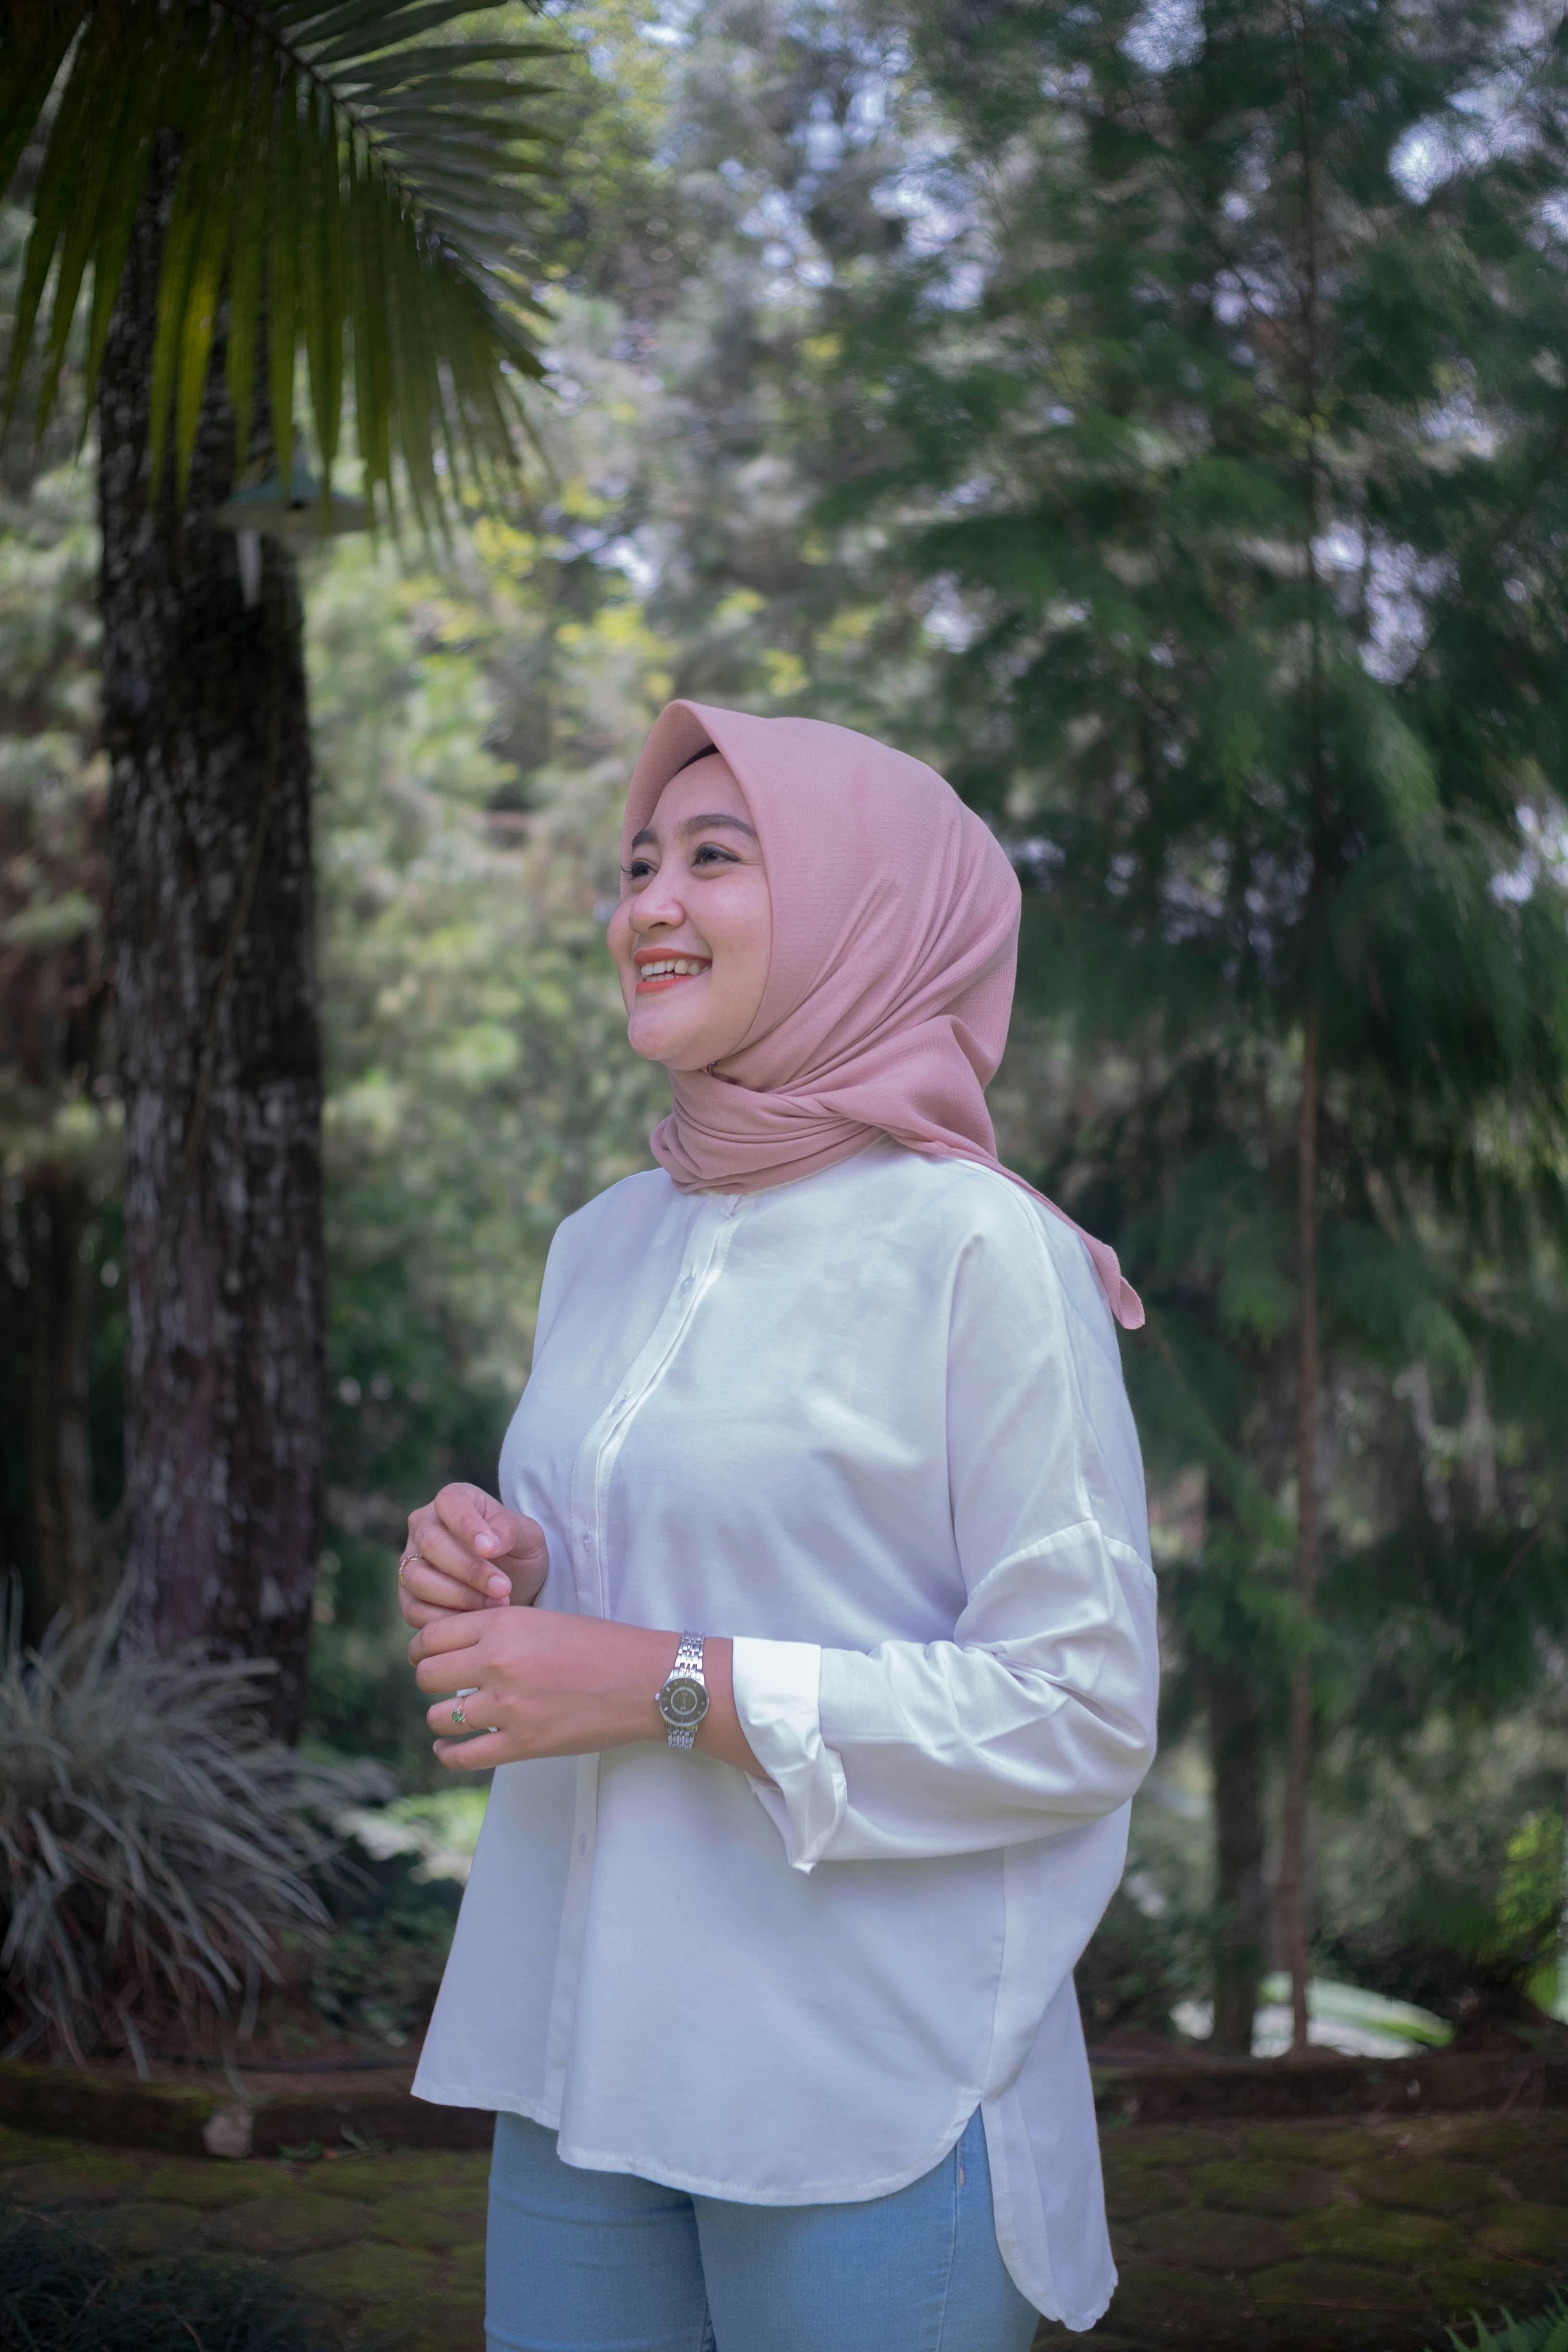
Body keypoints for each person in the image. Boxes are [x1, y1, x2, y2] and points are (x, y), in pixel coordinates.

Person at [396, 702, 1159, 2352]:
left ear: (862, 910)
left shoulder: (984, 1253)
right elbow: (636, 1588)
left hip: (864, 2087)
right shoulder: (603, 1242)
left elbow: (1081, 1705)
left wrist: (659, 1680)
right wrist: (508, 1564)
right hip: (577, 2054)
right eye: (637, 864)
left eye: (717, 859)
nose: (648, 903)